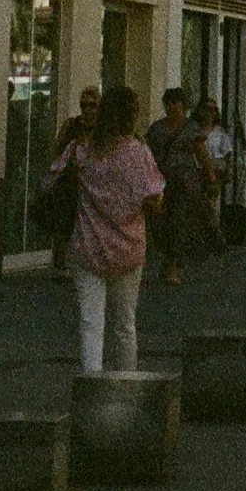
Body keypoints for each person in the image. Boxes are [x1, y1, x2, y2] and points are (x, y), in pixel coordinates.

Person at [45, 86, 163, 377]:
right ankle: (126, 387)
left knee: (91, 323)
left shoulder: (82, 150)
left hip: (87, 246)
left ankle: (91, 388)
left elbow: (50, 180)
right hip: (128, 248)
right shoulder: (139, 152)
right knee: (124, 324)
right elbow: (155, 200)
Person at [146, 87, 205, 284]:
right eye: (168, 102)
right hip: (160, 182)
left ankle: (174, 266)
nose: (172, 107)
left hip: (184, 182)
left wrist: (210, 176)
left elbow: (201, 152)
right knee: (159, 223)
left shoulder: (191, 128)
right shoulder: (156, 129)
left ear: (183, 105)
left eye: (176, 102)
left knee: (179, 222)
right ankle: (168, 258)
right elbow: (148, 155)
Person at [49, 87, 102, 275]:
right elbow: (57, 151)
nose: (87, 110)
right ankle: (60, 265)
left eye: (92, 105)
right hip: (69, 182)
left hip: (93, 184)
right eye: (84, 105)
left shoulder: (102, 129)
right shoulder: (71, 125)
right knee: (65, 223)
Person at [192, 98, 232, 248]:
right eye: (207, 109)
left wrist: (227, 171)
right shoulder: (194, 129)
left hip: (215, 172)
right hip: (196, 171)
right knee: (198, 205)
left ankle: (211, 236)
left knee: (211, 204)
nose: (210, 113)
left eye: (213, 109)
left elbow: (227, 153)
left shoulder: (219, 132)